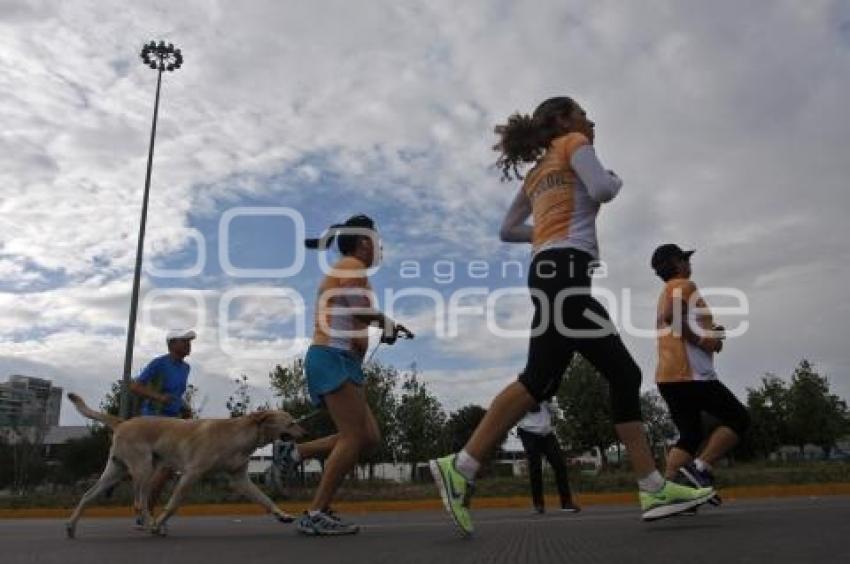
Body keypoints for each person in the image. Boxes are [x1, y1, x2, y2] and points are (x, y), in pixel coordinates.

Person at [428, 96, 715, 537]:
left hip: (548, 273)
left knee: (556, 379)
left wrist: (543, 232)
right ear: (564, 120)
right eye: (583, 112)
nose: (591, 119)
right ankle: (462, 465)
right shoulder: (574, 142)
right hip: (566, 274)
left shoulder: (537, 172)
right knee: (580, 376)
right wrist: (614, 180)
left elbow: (507, 231)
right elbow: (601, 189)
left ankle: (464, 466)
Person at [274, 214, 412, 536]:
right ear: (363, 242)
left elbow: (355, 321)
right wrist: (386, 322)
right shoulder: (351, 265)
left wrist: (383, 327)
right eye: (375, 239)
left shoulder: (352, 271)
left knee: (368, 437)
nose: (378, 245)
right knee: (352, 437)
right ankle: (316, 512)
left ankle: (296, 452)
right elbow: (359, 311)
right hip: (330, 357)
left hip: (341, 360)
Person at [651, 244, 750, 500]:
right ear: (676, 262)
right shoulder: (684, 285)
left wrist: (712, 335)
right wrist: (706, 341)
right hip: (691, 375)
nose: (689, 263)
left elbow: (676, 320)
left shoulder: (667, 290)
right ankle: (699, 469)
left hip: (668, 377)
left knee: (691, 435)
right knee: (739, 419)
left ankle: (667, 494)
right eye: (685, 258)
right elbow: (672, 316)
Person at [128, 329, 196, 526]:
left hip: (173, 421)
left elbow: (176, 393)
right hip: (153, 421)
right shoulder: (159, 363)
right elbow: (135, 386)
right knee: (163, 468)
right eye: (184, 341)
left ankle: (145, 513)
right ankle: (145, 512)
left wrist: (184, 408)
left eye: (189, 342)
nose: (188, 345)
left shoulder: (186, 368)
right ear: (172, 344)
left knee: (167, 470)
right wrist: (158, 397)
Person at [516, 401, 579, 514]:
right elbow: (514, 412)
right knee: (535, 468)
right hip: (528, 432)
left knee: (560, 465)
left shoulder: (545, 394)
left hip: (547, 433)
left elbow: (555, 410)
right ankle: (538, 505)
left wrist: (548, 401)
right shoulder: (523, 394)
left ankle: (566, 503)